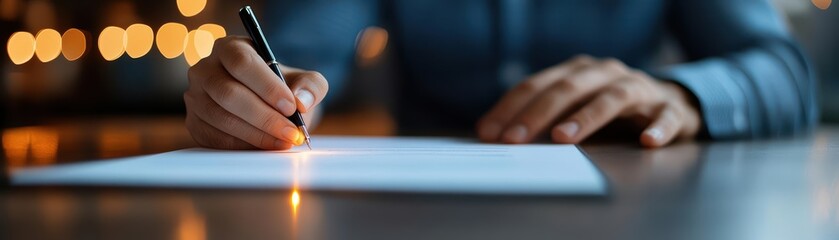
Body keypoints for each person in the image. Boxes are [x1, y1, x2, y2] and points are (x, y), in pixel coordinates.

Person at [184, 0, 817, 150]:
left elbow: (787, 71)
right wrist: (256, 92)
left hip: (627, 200)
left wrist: (680, 94)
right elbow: (301, 54)